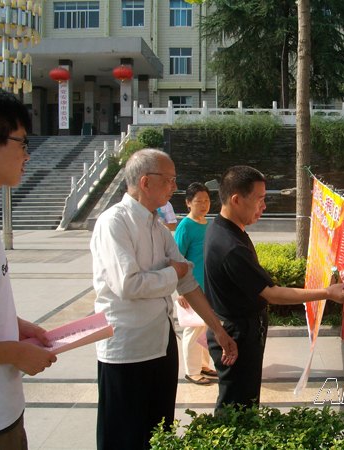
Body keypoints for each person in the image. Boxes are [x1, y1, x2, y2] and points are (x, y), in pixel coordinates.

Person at [90, 149, 238, 450]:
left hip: (161, 343)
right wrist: (173, 271)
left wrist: (218, 330)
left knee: (159, 432)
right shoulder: (114, 223)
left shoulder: (158, 227)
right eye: (169, 180)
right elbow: (128, 285)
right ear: (145, 182)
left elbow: (188, 282)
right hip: (127, 349)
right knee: (124, 436)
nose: (174, 186)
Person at [204, 165, 344, 413]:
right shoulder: (230, 246)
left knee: (243, 398)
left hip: (236, 328)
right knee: (237, 405)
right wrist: (327, 293)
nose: (264, 206)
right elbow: (273, 294)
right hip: (237, 335)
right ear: (236, 200)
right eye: (259, 199)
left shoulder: (222, 228)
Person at [0, 92, 58, 450]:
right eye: (22, 143)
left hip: (7, 408)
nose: (27, 155)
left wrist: (15, 326)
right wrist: (15, 353)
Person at [174, 182, 217, 385]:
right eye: (199, 201)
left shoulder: (207, 224)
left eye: (206, 200)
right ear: (188, 203)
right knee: (193, 329)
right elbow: (177, 258)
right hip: (190, 288)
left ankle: (203, 365)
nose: (204, 205)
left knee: (206, 327)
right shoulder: (185, 226)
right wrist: (180, 291)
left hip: (207, 286)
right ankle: (192, 371)